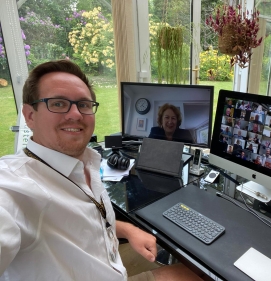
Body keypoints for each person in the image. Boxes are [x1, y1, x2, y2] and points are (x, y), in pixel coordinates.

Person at [0, 60, 205, 281]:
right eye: (58, 104)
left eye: (84, 104)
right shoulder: (14, 187)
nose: (75, 114)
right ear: (30, 115)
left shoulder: (87, 162)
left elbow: (86, 220)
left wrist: (128, 230)